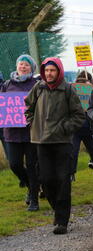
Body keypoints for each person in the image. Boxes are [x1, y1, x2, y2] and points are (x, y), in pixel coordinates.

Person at [24, 57, 85, 234]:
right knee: (46, 179)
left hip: (62, 142)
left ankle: (62, 220)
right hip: (41, 142)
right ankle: (57, 210)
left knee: (63, 180)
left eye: (53, 70)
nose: (49, 74)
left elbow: (79, 115)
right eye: (47, 70)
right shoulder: (39, 87)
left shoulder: (67, 89)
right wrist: (32, 123)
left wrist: (65, 128)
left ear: (59, 71)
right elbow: (28, 107)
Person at [1, 54, 40, 211]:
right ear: (17, 66)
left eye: (26, 65)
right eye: (21, 64)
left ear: (31, 68)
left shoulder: (36, 84)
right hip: (11, 132)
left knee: (32, 165)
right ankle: (31, 187)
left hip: (31, 132)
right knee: (14, 164)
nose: (23, 67)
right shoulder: (7, 84)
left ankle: (34, 200)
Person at [70, 71, 93, 181]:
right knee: (73, 152)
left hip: (88, 128)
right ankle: (71, 174)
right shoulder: (71, 93)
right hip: (75, 128)